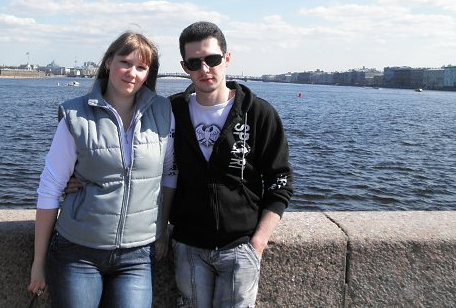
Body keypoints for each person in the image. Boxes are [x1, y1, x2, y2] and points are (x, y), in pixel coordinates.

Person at [28, 31, 177, 308]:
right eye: (125, 63)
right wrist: (38, 262)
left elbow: (169, 173)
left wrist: (161, 229)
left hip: (137, 255)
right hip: (78, 251)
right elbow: (50, 188)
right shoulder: (76, 114)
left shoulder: (163, 111)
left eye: (141, 67)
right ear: (109, 62)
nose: (132, 73)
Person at [169, 21, 293, 307]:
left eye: (212, 59)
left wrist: (258, 242)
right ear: (184, 67)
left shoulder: (258, 113)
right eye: (194, 63)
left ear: (226, 58)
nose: (204, 69)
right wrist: (79, 176)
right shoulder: (172, 111)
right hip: (188, 246)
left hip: (241, 247)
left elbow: (280, 180)